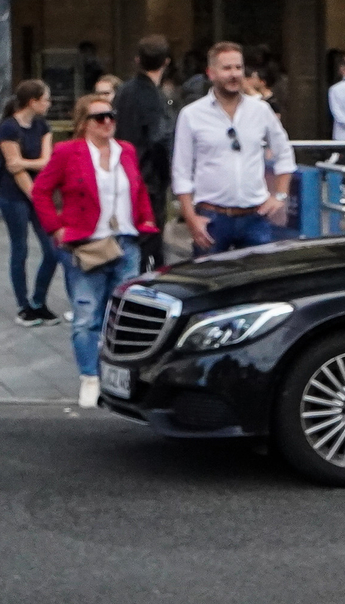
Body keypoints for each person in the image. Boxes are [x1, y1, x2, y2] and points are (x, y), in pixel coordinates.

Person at [34, 94, 159, 407]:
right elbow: (41, 191)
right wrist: (57, 229)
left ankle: (119, 374)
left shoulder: (125, 151)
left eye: (111, 116)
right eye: (99, 117)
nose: (107, 122)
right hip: (87, 245)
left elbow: (138, 189)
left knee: (122, 315)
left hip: (125, 243)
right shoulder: (67, 152)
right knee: (87, 315)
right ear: (83, 124)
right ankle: (90, 377)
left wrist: (146, 221)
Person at [173, 41, 297, 256]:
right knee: (211, 285)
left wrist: (280, 196)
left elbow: (284, 152)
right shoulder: (191, 115)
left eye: (238, 68)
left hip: (255, 217)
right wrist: (191, 218)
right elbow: (181, 171)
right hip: (212, 218)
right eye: (227, 68)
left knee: (258, 285)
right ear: (211, 73)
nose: (234, 74)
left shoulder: (260, 110)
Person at [0, 80, 64, 325]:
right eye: (46, 99)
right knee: (19, 248)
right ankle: (23, 305)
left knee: (52, 250)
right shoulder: (8, 128)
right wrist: (34, 195)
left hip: (39, 194)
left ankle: (39, 300)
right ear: (33, 101)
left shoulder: (42, 126)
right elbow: (15, 170)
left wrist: (24, 163)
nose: (49, 103)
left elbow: (46, 162)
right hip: (13, 196)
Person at [116, 35, 177, 266]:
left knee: (133, 239)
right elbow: (159, 139)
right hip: (148, 180)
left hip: (126, 173)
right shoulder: (153, 95)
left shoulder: (124, 91)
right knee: (148, 242)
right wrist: (168, 175)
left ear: (137, 60)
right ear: (166, 62)